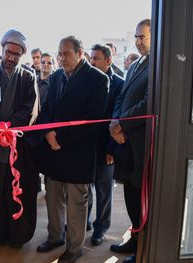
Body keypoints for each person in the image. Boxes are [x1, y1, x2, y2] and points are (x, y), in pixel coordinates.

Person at [36, 36, 108, 263]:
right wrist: (47, 133)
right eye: (59, 54)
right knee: (53, 198)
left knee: (77, 204)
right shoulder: (56, 76)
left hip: (78, 153)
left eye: (66, 54)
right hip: (53, 151)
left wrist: (62, 139)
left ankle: (74, 248)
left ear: (80, 53)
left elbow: (93, 118)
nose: (61, 58)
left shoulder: (98, 79)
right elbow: (45, 109)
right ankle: (55, 237)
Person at [0, 29, 39, 248]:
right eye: (8, 52)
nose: (11, 57)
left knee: (14, 190)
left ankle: (16, 236)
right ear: (2, 50)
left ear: (22, 55)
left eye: (16, 54)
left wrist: (8, 128)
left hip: (16, 145)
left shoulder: (28, 77)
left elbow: (30, 110)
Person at [109, 18, 151, 263]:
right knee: (130, 196)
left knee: (141, 197)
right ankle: (135, 239)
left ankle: (143, 248)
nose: (137, 42)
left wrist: (122, 123)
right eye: (135, 37)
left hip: (142, 145)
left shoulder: (159, 64)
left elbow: (148, 103)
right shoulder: (135, 66)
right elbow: (121, 98)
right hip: (125, 141)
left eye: (142, 37)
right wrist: (117, 124)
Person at [88, 44, 124, 245]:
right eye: (91, 58)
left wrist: (112, 149)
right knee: (86, 187)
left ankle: (101, 228)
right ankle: (84, 220)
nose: (92, 62)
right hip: (86, 146)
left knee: (104, 190)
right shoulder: (88, 81)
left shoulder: (119, 83)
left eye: (97, 58)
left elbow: (117, 116)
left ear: (109, 61)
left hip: (106, 147)